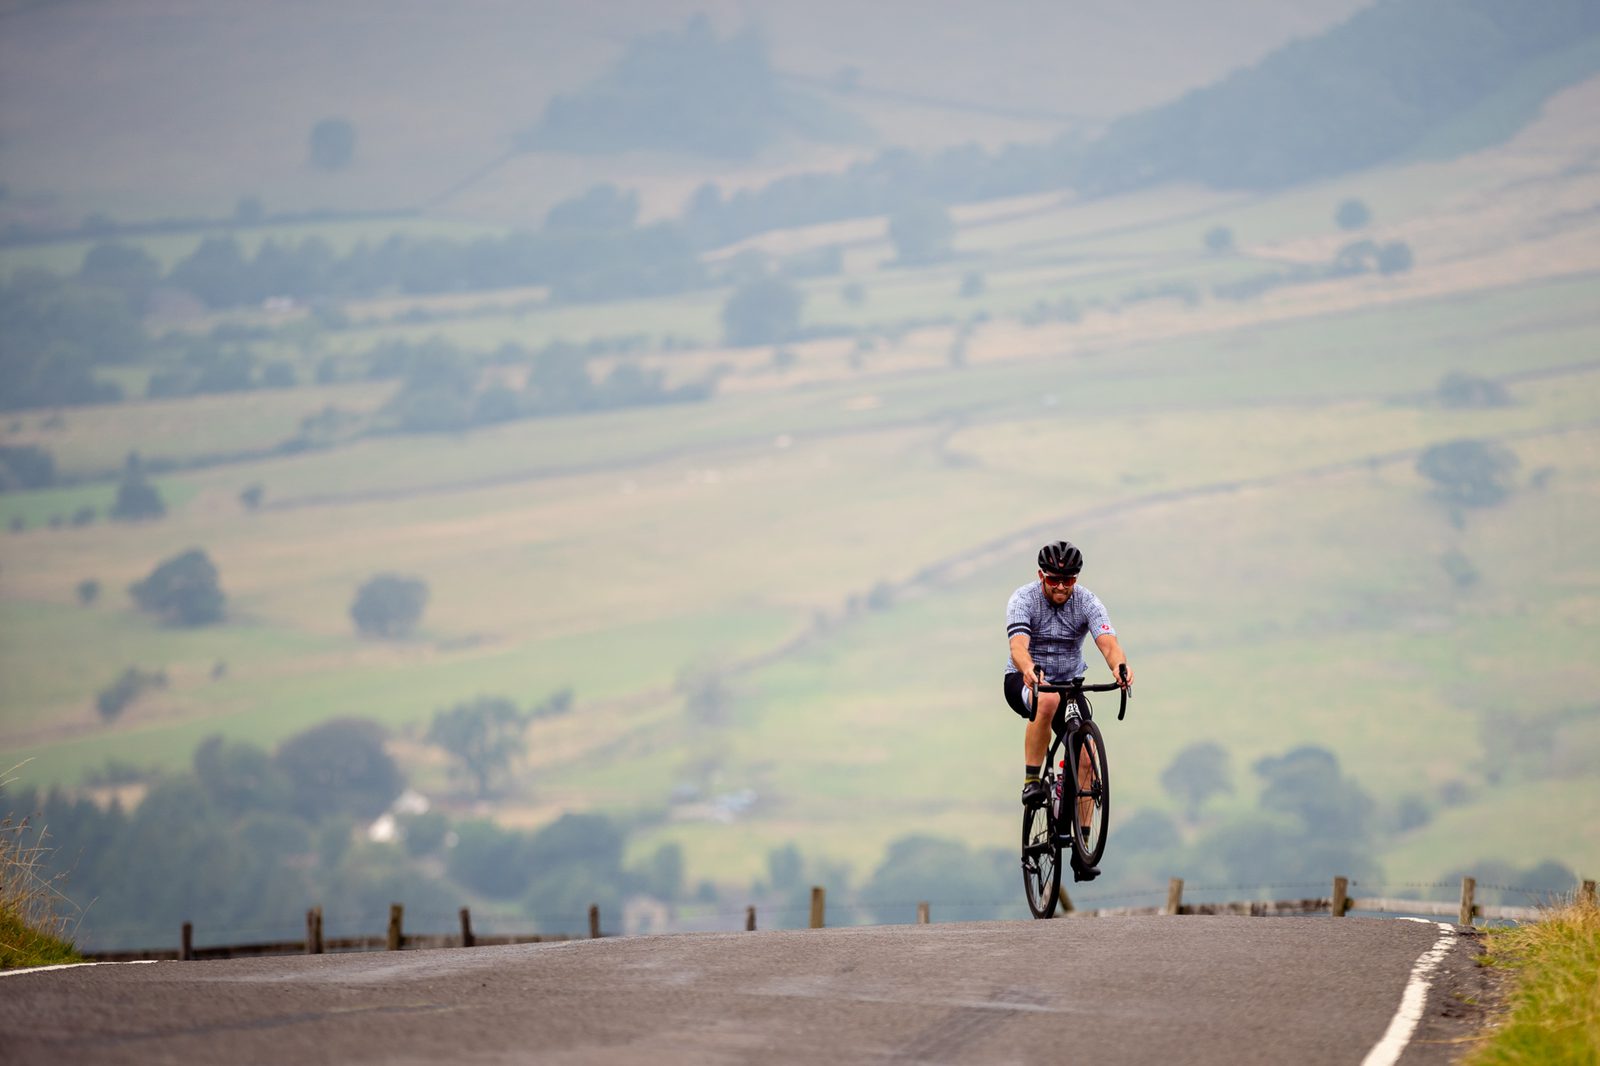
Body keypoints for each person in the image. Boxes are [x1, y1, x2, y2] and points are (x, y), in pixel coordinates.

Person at [1004, 540, 1133, 875]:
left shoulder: (1087, 602)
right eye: (1053, 580)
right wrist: (1029, 669)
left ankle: (1081, 845)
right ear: (1041, 576)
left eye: (1069, 580)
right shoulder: (1024, 599)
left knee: (1088, 756)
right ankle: (1033, 780)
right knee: (1047, 699)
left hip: (1071, 683)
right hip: (1028, 681)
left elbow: (1108, 644)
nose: (1061, 586)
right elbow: (1018, 646)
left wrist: (1120, 667)